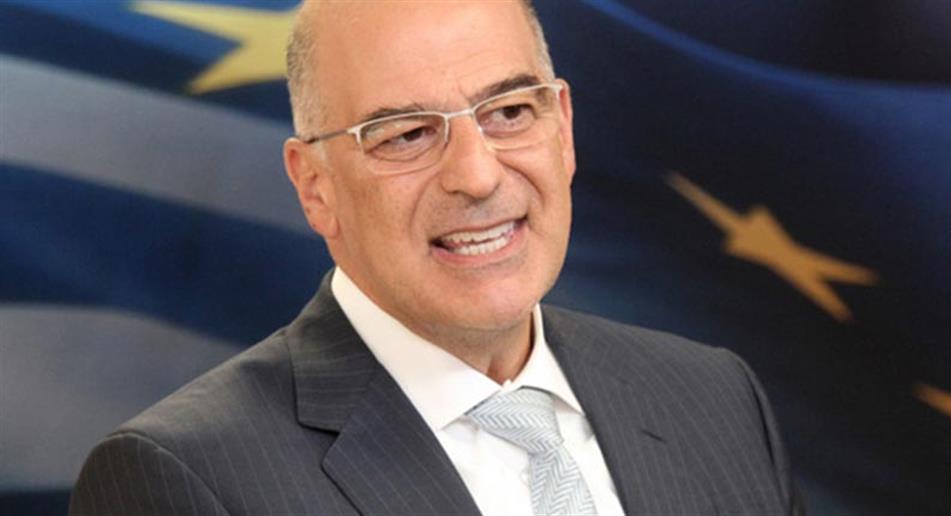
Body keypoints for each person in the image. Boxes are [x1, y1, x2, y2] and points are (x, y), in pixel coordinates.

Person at [69, 1, 800, 515]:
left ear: (563, 130)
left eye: (509, 112)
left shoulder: (715, 399)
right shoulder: (182, 481)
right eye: (406, 135)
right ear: (316, 186)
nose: (477, 176)